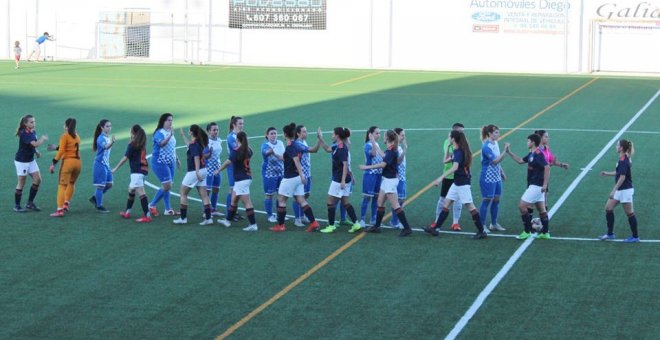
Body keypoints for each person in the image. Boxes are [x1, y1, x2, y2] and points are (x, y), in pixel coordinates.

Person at [424, 130, 487, 239]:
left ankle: (482, 231)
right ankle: (436, 229)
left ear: (453, 139)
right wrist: (448, 148)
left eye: (450, 136)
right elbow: (445, 161)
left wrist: (440, 178)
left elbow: (455, 167)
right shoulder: (457, 151)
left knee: (470, 207)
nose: (448, 138)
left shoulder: (459, 152)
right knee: (446, 204)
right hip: (457, 183)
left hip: (462, 184)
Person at [359, 130, 413, 237]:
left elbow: (383, 164)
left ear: (387, 138)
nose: (382, 137)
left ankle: (407, 228)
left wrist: (366, 167)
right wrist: (373, 141)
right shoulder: (391, 149)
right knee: (380, 202)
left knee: (396, 205)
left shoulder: (391, 150)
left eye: (384, 135)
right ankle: (377, 226)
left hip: (390, 181)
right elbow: (383, 155)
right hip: (387, 180)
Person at [269, 123, 320, 233]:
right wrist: (275, 154)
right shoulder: (297, 145)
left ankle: (281, 225)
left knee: (281, 200)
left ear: (285, 134)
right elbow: (286, 158)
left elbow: (296, 160)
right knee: (301, 200)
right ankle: (314, 223)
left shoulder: (291, 146)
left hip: (290, 178)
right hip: (297, 178)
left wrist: (302, 175)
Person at [504, 134, 551, 240]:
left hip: (536, 186)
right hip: (536, 186)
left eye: (528, 141)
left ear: (533, 142)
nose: (527, 143)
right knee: (542, 210)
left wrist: (544, 184)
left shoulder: (538, 154)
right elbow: (520, 160)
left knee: (522, 206)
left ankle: (527, 231)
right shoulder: (531, 153)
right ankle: (545, 232)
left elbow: (547, 167)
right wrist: (509, 152)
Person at [317, 127, 362, 234]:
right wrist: (320, 138)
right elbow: (327, 149)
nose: (332, 135)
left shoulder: (342, 149)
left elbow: (345, 165)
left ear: (337, 135)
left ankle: (331, 226)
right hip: (344, 179)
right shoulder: (337, 146)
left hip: (339, 179)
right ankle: (356, 223)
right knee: (346, 203)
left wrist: (342, 181)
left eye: (333, 134)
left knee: (330, 202)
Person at [215, 131, 258, 231]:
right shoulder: (248, 150)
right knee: (234, 200)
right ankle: (227, 221)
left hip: (241, 180)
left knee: (247, 202)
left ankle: (253, 225)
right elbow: (250, 153)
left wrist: (219, 170)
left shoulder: (236, 151)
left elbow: (227, 162)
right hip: (245, 178)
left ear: (237, 139)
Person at [598, 139, 639, 242]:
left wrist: (613, 190)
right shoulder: (623, 158)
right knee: (608, 208)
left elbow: (622, 177)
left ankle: (635, 236)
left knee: (629, 213)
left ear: (621, 148)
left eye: (617, 145)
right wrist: (607, 173)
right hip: (620, 190)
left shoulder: (624, 160)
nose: (616, 147)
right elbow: (618, 172)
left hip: (625, 191)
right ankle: (610, 234)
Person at [173, 125, 214, 225]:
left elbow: (196, 157)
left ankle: (183, 218)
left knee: (183, 193)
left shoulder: (194, 144)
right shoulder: (198, 143)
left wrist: (196, 172)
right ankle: (208, 218)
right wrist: (182, 135)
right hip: (204, 170)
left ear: (191, 132)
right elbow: (189, 146)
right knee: (204, 195)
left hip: (195, 171)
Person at [112, 124, 152, 223]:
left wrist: (115, 168)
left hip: (137, 171)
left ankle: (147, 216)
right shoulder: (141, 143)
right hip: (142, 170)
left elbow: (125, 158)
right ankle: (127, 212)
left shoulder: (133, 144)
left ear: (133, 133)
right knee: (131, 189)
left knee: (141, 193)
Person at [527, 129, 570, 221]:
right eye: (546, 136)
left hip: (544, 179)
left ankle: (543, 225)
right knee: (531, 203)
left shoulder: (546, 148)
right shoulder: (536, 151)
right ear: (540, 138)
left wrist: (561, 164)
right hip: (535, 180)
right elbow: (543, 165)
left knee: (543, 203)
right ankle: (529, 227)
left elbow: (551, 161)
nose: (548, 138)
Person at [432, 123, 464, 231]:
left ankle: (455, 223)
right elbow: (448, 157)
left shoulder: (463, 144)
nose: (462, 133)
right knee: (442, 199)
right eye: (460, 132)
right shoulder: (448, 142)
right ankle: (436, 221)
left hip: (459, 176)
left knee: (458, 200)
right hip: (449, 175)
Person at [14, 114, 48, 212]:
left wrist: (36, 151)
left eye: (34, 121)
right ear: (25, 123)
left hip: (30, 160)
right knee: (21, 183)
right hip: (22, 161)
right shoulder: (23, 133)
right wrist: (43, 139)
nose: (34, 123)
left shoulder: (32, 131)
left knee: (37, 179)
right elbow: (35, 143)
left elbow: (32, 145)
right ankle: (17, 206)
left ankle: (30, 203)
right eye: (31, 122)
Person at [48, 118, 81, 217]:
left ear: (66, 126)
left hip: (68, 163)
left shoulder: (64, 136)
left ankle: (59, 210)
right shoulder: (77, 136)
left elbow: (62, 151)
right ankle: (66, 204)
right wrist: (56, 147)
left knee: (62, 186)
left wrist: (53, 163)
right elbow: (70, 148)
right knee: (71, 183)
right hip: (78, 163)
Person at [149, 113, 179, 216]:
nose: (171, 122)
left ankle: (168, 209)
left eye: (171, 120)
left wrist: (177, 158)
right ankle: (152, 205)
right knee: (167, 185)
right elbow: (162, 144)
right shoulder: (159, 133)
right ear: (163, 121)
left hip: (171, 162)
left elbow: (172, 146)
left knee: (168, 185)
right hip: (160, 161)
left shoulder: (170, 131)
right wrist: (170, 135)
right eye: (168, 120)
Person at [292, 124, 322, 227]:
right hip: (300, 175)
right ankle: (297, 219)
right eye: (304, 131)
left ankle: (303, 215)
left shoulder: (303, 142)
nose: (306, 133)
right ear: (298, 133)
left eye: (306, 131)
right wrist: (319, 139)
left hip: (307, 173)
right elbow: (314, 150)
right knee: (298, 197)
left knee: (306, 195)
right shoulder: (297, 144)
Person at [479, 125, 507, 232]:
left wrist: (501, 172)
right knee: (487, 200)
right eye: (496, 133)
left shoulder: (495, 143)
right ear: (489, 134)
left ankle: (494, 223)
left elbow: (497, 161)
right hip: (488, 176)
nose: (498, 134)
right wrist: (505, 151)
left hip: (496, 175)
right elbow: (495, 161)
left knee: (496, 199)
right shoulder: (486, 147)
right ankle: (482, 225)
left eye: (498, 132)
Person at [359, 126, 384, 227]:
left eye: (379, 133)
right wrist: (373, 141)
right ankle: (362, 219)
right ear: (371, 134)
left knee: (376, 197)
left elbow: (382, 155)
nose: (379, 135)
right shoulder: (367, 145)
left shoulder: (376, 144)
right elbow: (373, 154)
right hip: (370, 174)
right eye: (377, 133)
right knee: (367, 197)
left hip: (378, 174)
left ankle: (373, 218)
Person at [90, 119, 115, 213]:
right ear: (102, 127)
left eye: (110, 126)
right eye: (107, 126)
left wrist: (111, 141)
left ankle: (95, 197)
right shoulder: (100, 138)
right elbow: (106, 147)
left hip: (106, 165)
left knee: (109, 184)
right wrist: (112, 142)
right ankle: (99, 205)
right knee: (100, 186)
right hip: (100, 164)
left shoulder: (107, 137)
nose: (109, 128)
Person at [261, 127, 284, 223]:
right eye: (271, 133)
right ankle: (270, 215)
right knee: (269, 195)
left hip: (281, 172)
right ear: (267, 135)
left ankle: (280, 214)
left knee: (281, 195)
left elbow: (284, 155)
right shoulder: (265, 145)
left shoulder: (280, 143)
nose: (274, 135)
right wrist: (270, 151)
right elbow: (265, 153)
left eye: (275, 133)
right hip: (269, 174)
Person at [225, 116, 245, 221]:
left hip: (239, 165)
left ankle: (234, 212)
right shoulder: (231, 137)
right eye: (240, 123)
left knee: (236, 190)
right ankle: (230, 213)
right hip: (233, 166)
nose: (242, 125)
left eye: (242, 123)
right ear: (234, 125)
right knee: (232, 189)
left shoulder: (239, 136)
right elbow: (238, 150)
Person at [389, 128, 408, 229]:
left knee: (401, 199)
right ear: (396, 135)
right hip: (398, 178)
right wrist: (405, 150)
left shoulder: (398, 147)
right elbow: (398, 162)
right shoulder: (396, 148)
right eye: (402, 135)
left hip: (402, 177)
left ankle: (395, 220)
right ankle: (394, 221)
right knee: (398, 200)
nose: (404, 137)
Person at [205, 122, 223, 216]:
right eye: (214, 130)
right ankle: (206, 211)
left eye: (217, 129)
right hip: (208, 169)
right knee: (207, 191)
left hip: (217, 168)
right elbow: (203, 156)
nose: (216, 131)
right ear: (208, 131)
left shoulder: (219, 140)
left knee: (216, 189)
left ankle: (214, 209)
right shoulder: (206, 142)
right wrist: (209, 154)